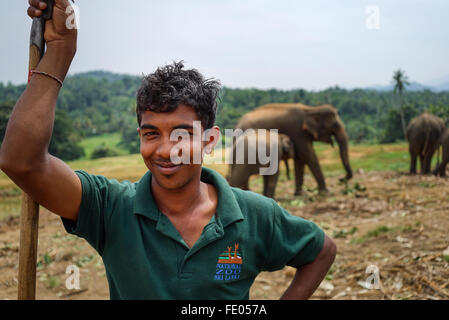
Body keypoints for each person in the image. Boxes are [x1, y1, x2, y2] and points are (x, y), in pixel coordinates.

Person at [0, 0, 336, 299]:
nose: (164, 150)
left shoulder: (256, 215)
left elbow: (321, 251)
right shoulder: (111, 209)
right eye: (150, 134)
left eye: (180, 134)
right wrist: (60, 52)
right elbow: (22, 162)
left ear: (209, 140)